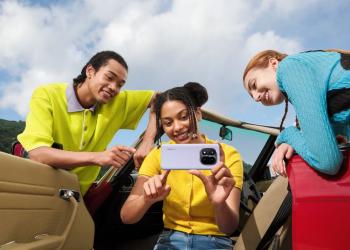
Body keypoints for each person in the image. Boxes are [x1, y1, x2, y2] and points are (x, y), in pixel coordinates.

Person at [120, 82, 243, 250]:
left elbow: (228, 228)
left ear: (198, 113)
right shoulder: (158, 155)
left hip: (214, 241)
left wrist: (219, 203)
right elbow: (127, 216)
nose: (177, 127)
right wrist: (146, 200)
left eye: (184, 117)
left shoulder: (228, 155)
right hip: (170, 240)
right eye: (168, 122)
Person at [18, 51, 157, 195]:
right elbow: (38, 154)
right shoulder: (47, 94)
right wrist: (98, 157)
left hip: (75, 196)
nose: (113, 87)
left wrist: (147, 141)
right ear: (90, 71)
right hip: (38, 190)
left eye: (120, 85)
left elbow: (159, 99)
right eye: (109, 77)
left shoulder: (116, 102)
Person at [243, 49, 350, 177]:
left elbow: (328, 162)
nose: (256, 98)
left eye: (254, 85)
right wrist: (294, 141)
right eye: (252, 96)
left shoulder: (289, 68)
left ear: (273, 64)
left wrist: (288, 134)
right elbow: (341, 140)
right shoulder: (312, 80)